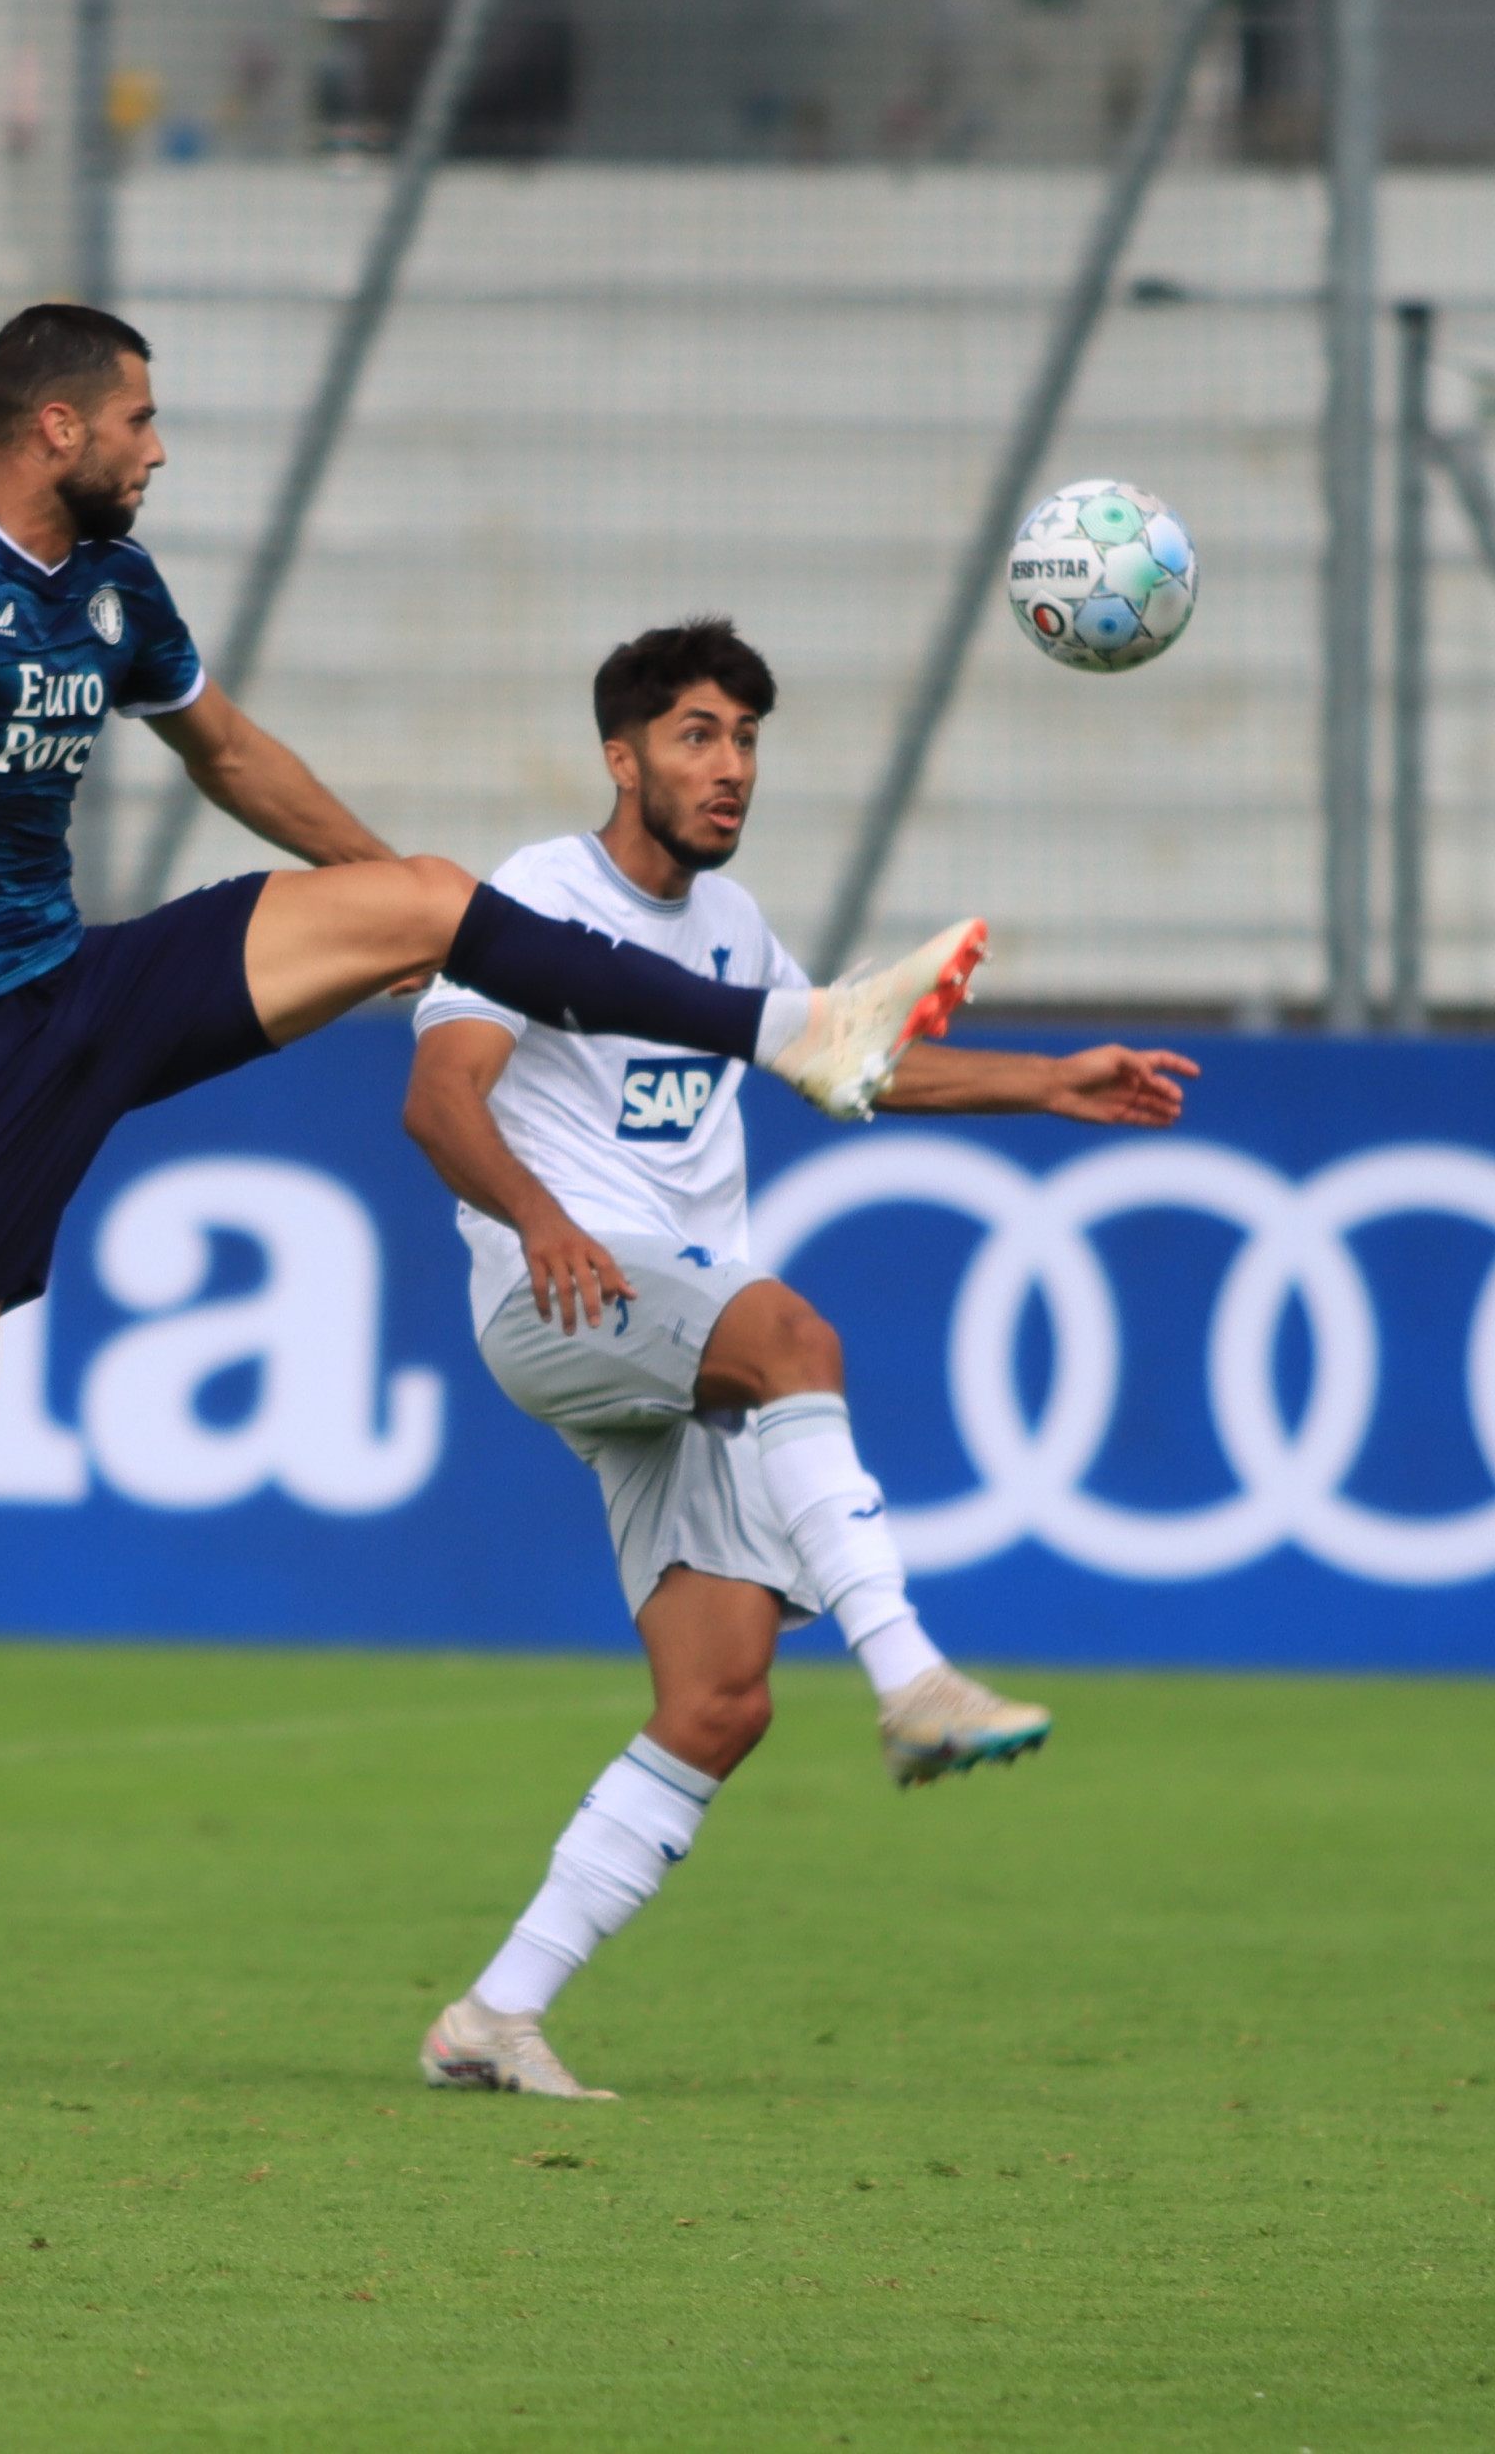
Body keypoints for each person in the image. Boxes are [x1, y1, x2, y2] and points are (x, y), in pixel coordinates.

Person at [0, 303, 991, 1917]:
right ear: (56, 429)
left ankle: (797, 1026)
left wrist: (397, 914)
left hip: (80, 989)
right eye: (138, 417)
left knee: (427, 892)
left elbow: (221, 747)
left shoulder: (116, 587)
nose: (159, 444)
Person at [403, 618, 1195, 2100]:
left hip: (663, 1321)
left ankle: (490, 2018)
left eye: (750, 739)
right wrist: (542, 1219)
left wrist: (1050, 1081)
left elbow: (837, 1055)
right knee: (791, 1331)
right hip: (560, 1290)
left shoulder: (730, 927)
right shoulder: (532, 897)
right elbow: (439, 1103)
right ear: (621, 754)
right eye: (699, 735)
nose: (731, 768)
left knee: (720, 1696)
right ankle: (914, 1683)